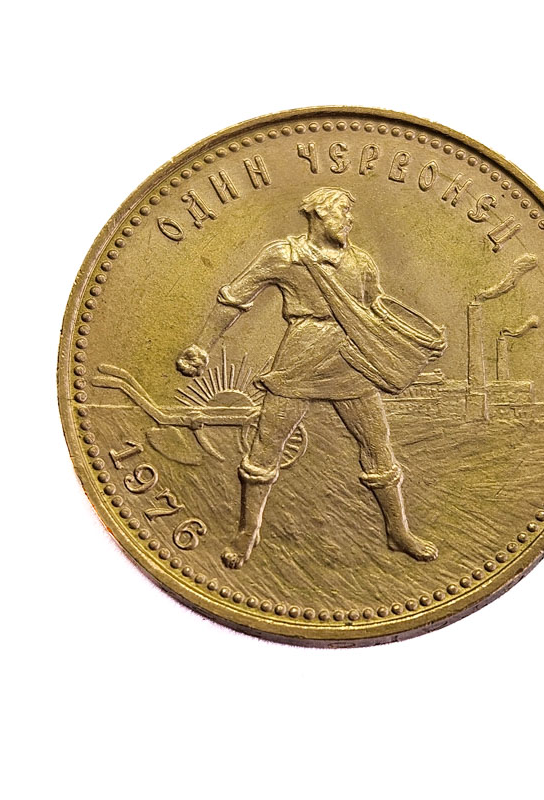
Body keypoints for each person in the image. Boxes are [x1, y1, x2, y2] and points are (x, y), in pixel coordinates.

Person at [176, 187, 438, 568]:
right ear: (318, 214)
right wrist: (202, 346)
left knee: (378, 445)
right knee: (267, 443)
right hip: (300, 356)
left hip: (352, 359)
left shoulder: (362, 263)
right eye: (343, 211)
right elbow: (234, 298)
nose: (350, 219)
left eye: (349, 212)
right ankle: (248, 531)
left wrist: (414, 343)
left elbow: (378, 313)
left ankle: (398, 531)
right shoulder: (283, 255)